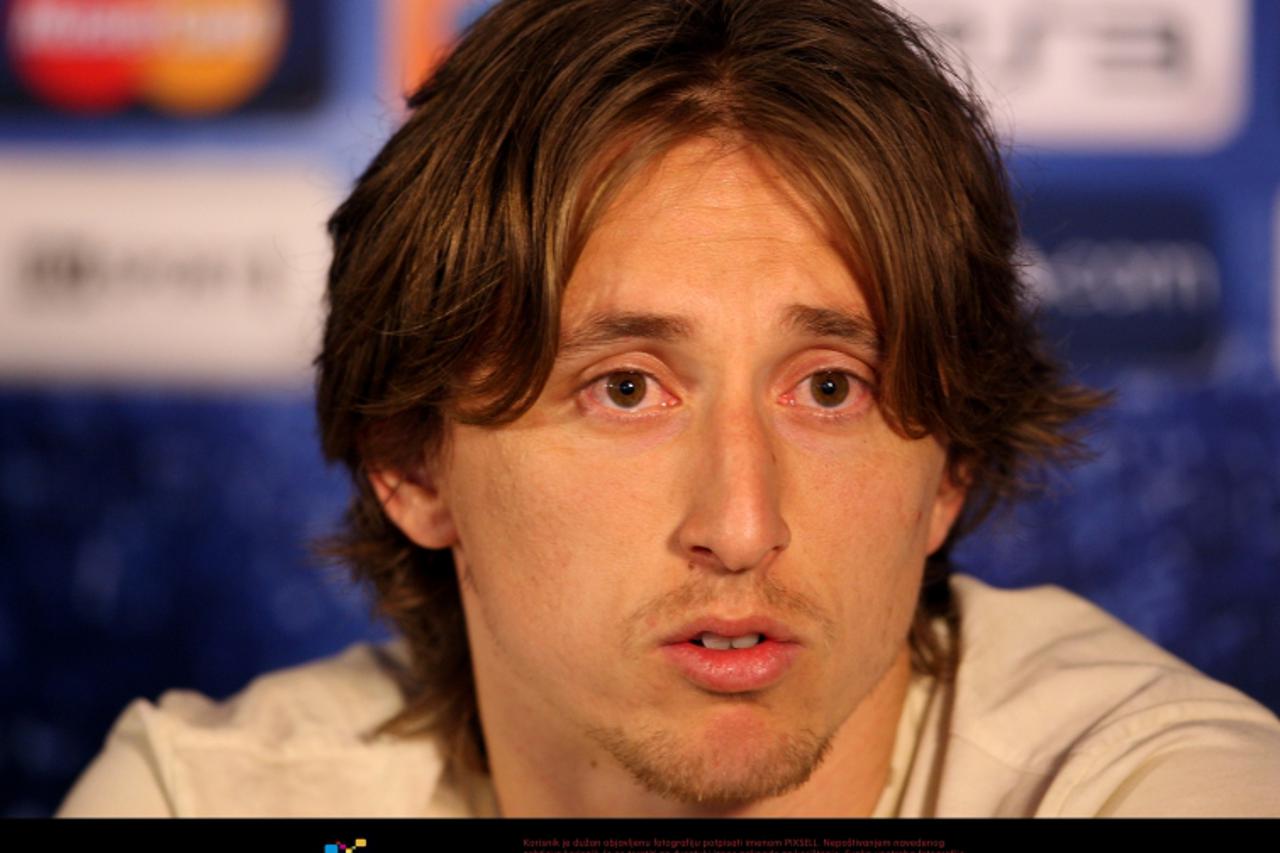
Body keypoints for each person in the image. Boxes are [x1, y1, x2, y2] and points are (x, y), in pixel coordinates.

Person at [59, 0, 1280, 817]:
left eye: (828, 388)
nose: (741, 526)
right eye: (627, 388)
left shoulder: (1156, 787)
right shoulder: (205, 801)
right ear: (409, 460)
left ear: (947, 469)